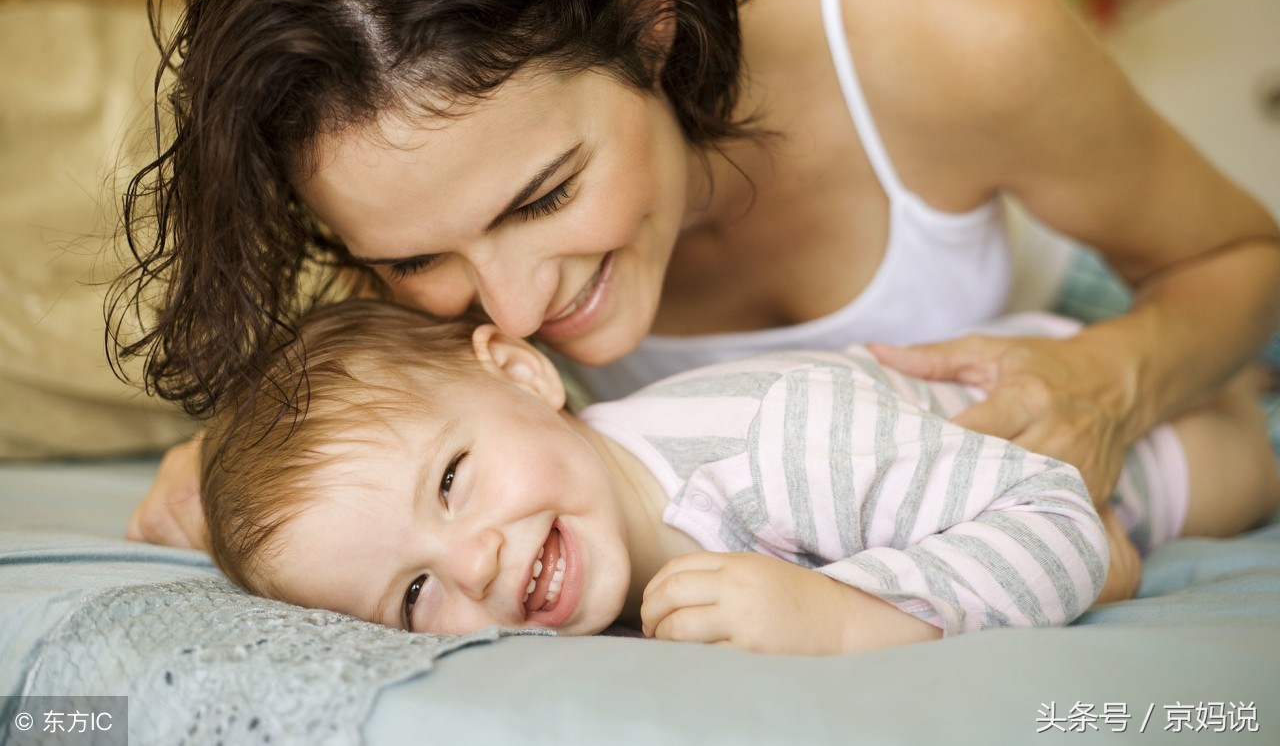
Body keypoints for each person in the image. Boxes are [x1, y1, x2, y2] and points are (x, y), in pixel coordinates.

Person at [118, 0, 1280, 550]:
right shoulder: (397, 196)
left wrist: (1109, 379)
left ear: (648, 14)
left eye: (544, 196)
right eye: (414, 257)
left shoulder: (949, 38)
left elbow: (1244, 257)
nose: (511, 309)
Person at [198, 301, 1279, 653]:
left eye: (450, 481)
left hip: (1106, 433)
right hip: (950, 481)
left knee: (1247, 463)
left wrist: (841, 615)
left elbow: (1059, 517)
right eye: (411, 593)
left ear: (523, 373)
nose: (471, 562)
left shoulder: (777, 441)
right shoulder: (577, 558)